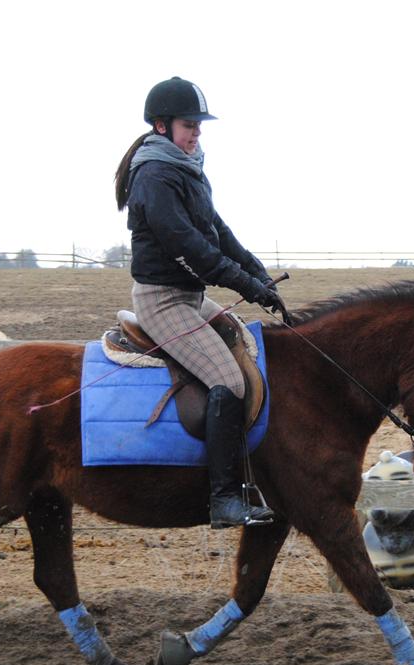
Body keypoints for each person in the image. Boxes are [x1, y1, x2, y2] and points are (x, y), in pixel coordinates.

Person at [114, 76, 289, 529]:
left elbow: (220, 233)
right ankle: (224, 499)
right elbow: (189, 245)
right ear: (161, 126)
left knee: (245, 345)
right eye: (188, 125)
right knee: (228, 382)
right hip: (162, 302)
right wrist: (246, 287)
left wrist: (260, 276)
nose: (196, 133)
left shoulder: (190, 170)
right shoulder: (153, 176)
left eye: (198, 125)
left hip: (191, 299)